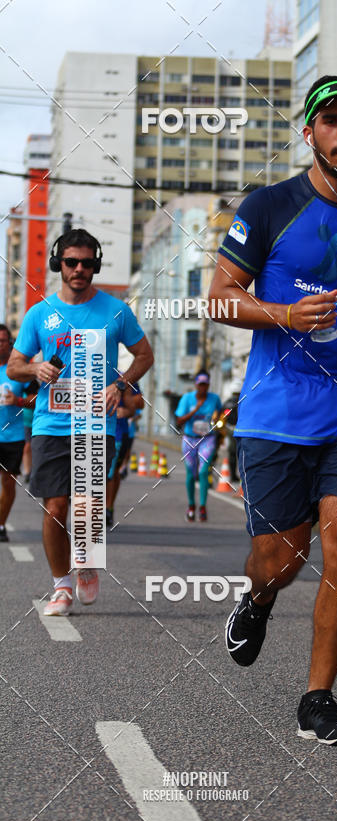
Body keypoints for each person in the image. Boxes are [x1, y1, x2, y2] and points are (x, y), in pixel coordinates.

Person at [208, 75, 337, 745]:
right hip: (276, 413)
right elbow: (219, 296)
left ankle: (318, 697)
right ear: (310, 131)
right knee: (279, 558)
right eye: (331, 120)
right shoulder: (271, 206)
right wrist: (282, 313)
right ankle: (259, 600)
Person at [7, 229, 153, 615]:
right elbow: (14, 365)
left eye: (87, 263)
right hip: (50, 424)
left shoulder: (116, 310)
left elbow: (144, 355)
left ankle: (86, 561)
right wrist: (36, 367)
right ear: (59, 263)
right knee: (56, 507)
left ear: (95, 266)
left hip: (95, 423)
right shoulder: (39, 313)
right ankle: (61, 587)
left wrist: (119, 385)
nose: (79, 269)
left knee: (87, 505)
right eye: (71, 262)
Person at [0, 324, 36, 542]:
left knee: (8, 483)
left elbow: (36, 398)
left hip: (12, 436)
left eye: (3, 341)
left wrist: (19, 401)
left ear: (9, 343)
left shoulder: (19, 369)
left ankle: (1, 523)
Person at [175, 371, 221, 522]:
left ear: (208, 385)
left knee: (203, 472)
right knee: (191, 474)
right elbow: (179, 421)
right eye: (200, 384)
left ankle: (202, 506)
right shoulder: (187, 399)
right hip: (189, 439)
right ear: (196, 384)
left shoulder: (214, 399)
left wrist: (219, 422)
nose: (203, 387)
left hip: (207, 439)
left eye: (205, 384)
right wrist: (195, 409)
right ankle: (191, 505)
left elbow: (219, 414)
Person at [106, 381, 144, 526]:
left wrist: (121, 399)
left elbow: (140, 402)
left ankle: (108, 508)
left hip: (118, 432)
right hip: (89, 431)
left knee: (111, 473)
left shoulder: (124, 377)